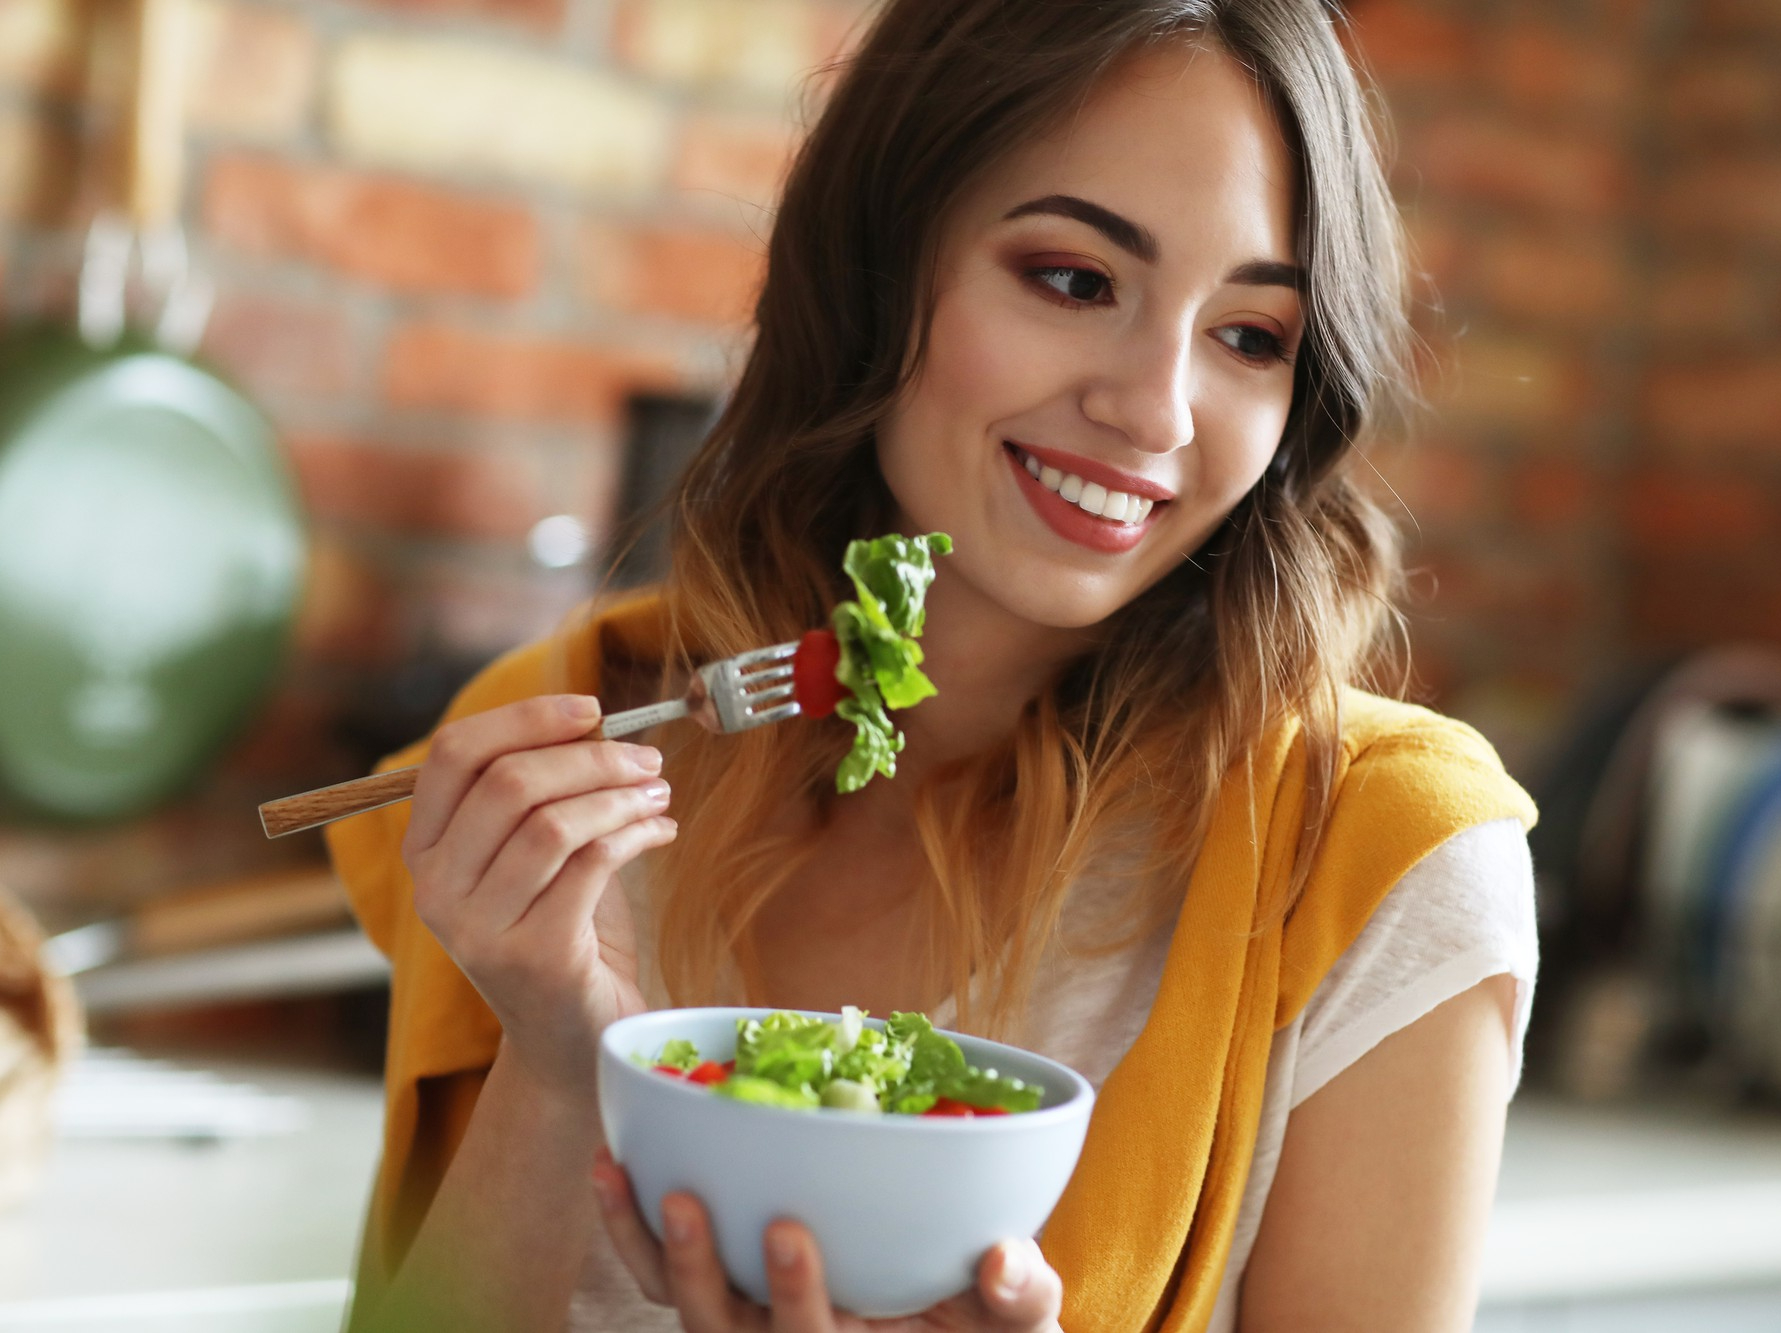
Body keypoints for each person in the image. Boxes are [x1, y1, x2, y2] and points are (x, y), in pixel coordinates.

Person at [326, 2, 1539, 1330]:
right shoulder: (567, 746)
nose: (1154, 410)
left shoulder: (1376, 853)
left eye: (1251, 336)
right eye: (1074, 280)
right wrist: (559, 1069)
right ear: (878, 265)